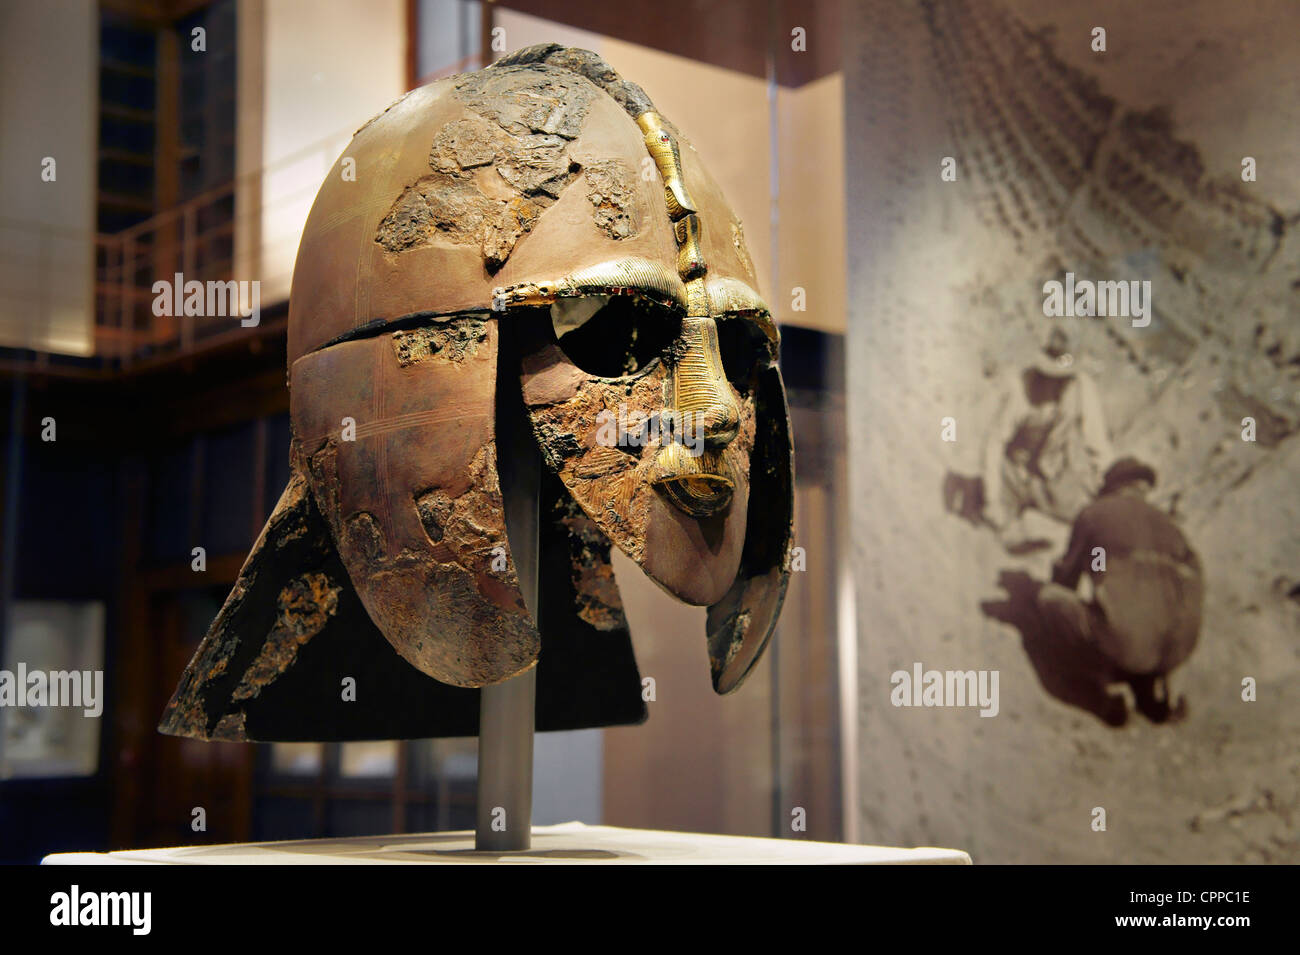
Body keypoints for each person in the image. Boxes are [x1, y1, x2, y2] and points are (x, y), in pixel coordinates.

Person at [1036, 457, 1203, 724]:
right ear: (1143, 489)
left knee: (1049, 599)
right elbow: (1192, 586)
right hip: (1179, 651)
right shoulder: (1173, 528)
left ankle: (1104, 693)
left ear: (1111, 486)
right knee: (1152, 609)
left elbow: (1067, 578)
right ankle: (1162, 693)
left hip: (1128, 644)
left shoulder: (1096, 513)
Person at [982, 327, 1114, 550]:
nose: (1060, 383)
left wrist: (1113, 489)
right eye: (1053, 376)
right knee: (997, 525)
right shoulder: (1022, 389)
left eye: (1065, 377)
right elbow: (995, 443)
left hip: (1054, 479)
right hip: (1014, 474)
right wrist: (991, 498)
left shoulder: (1082, 388)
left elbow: (1098, 445)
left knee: (1093, 520)